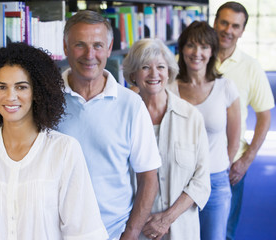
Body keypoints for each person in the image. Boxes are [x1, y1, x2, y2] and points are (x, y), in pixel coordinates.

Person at [0, 42, 108, 240]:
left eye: (21, 87)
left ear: (38, 92)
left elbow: (84, 233)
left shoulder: (64, 150)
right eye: (1, 87)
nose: (10, 96)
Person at [57, 10, 161, 240]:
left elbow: (148, 177)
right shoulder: (47, 100)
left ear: (109, 47)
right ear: (65, 48)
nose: (89, 54)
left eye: (97, 45)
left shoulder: (131, 105)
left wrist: (131, 233)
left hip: (112, 233)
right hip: (55, 231)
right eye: (79, 45)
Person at [122, 38, 211, 240]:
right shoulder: (122, 118)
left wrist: (166, 219)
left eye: (161, 67)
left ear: (169, 72)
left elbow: (201, 181)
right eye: (145, 67)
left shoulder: (191, 117)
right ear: (133, 74)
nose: (154, 74)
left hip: (180, 229)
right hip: (135, 231)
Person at [167, 21, 241, 240]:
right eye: (191, 45)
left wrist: (217, 167)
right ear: (181, 49)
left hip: (215, 180)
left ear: (212, 51)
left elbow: (234, 140)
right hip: (177, 182)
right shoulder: (168, 87)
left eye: (204, 47)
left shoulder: (225, 87)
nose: (197, 53)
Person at [213, 2, 275, 239]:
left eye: (235, 26)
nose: (228, 30)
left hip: (230, 163)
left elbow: (265, 116)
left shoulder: (251, 67)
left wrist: (247, 160)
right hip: (191, 161)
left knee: (224, 231)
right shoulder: (194, 58)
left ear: (242, 31)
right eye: (224, 22)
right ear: (215, 22)